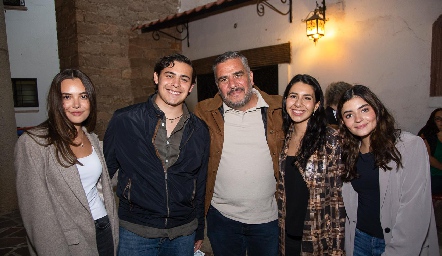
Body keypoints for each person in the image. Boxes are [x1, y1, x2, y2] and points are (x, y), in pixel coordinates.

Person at [103, 53, 209, 256]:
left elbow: (200, 182)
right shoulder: (125, 120)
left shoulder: (200, 130)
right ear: (156, 78)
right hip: (135, 232)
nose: (176, 84)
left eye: (184, 78)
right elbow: (103, 177)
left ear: (191, 87)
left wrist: (199, 229)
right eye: (169, 75)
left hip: (183, 233)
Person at [15, 69, 119, 256]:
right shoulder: (34, 144)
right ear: (56, 101)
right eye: (67, 97)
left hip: (105, 227)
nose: (77, 104)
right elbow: (37, 215)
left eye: (83, 96)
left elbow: (105, 181)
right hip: (69, 240)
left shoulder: (92, 139)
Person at [194, 51, 284, 256]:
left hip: (268, 219)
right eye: (223, 79)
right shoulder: (204, 112)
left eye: (238, 75)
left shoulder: (279, 109)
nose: (232, 84)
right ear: (217, 85)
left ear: (250, 76)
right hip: (222, 219)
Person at [338, 85, 439, 255]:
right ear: (343, 122)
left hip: (397, 243)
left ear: (377, 109)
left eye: (364, 110)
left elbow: (413, 214)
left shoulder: (409, 146)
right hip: (358, 240)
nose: (358, 119)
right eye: (349, 115)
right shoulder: (348, 152)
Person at [277, 74, 345, 255]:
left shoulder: (331, 139)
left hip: (318, 238)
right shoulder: (286, 136)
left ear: (316, 105)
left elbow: (338, 199)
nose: (298, 103)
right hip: (286, 235)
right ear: (285, 101)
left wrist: (337, 248)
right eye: (293, 96)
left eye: (307, 98)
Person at [418, 108, 442, 194]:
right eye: (438, 119)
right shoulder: (426, 135)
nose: (441, 122)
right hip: (432, 176)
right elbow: (427, 158)